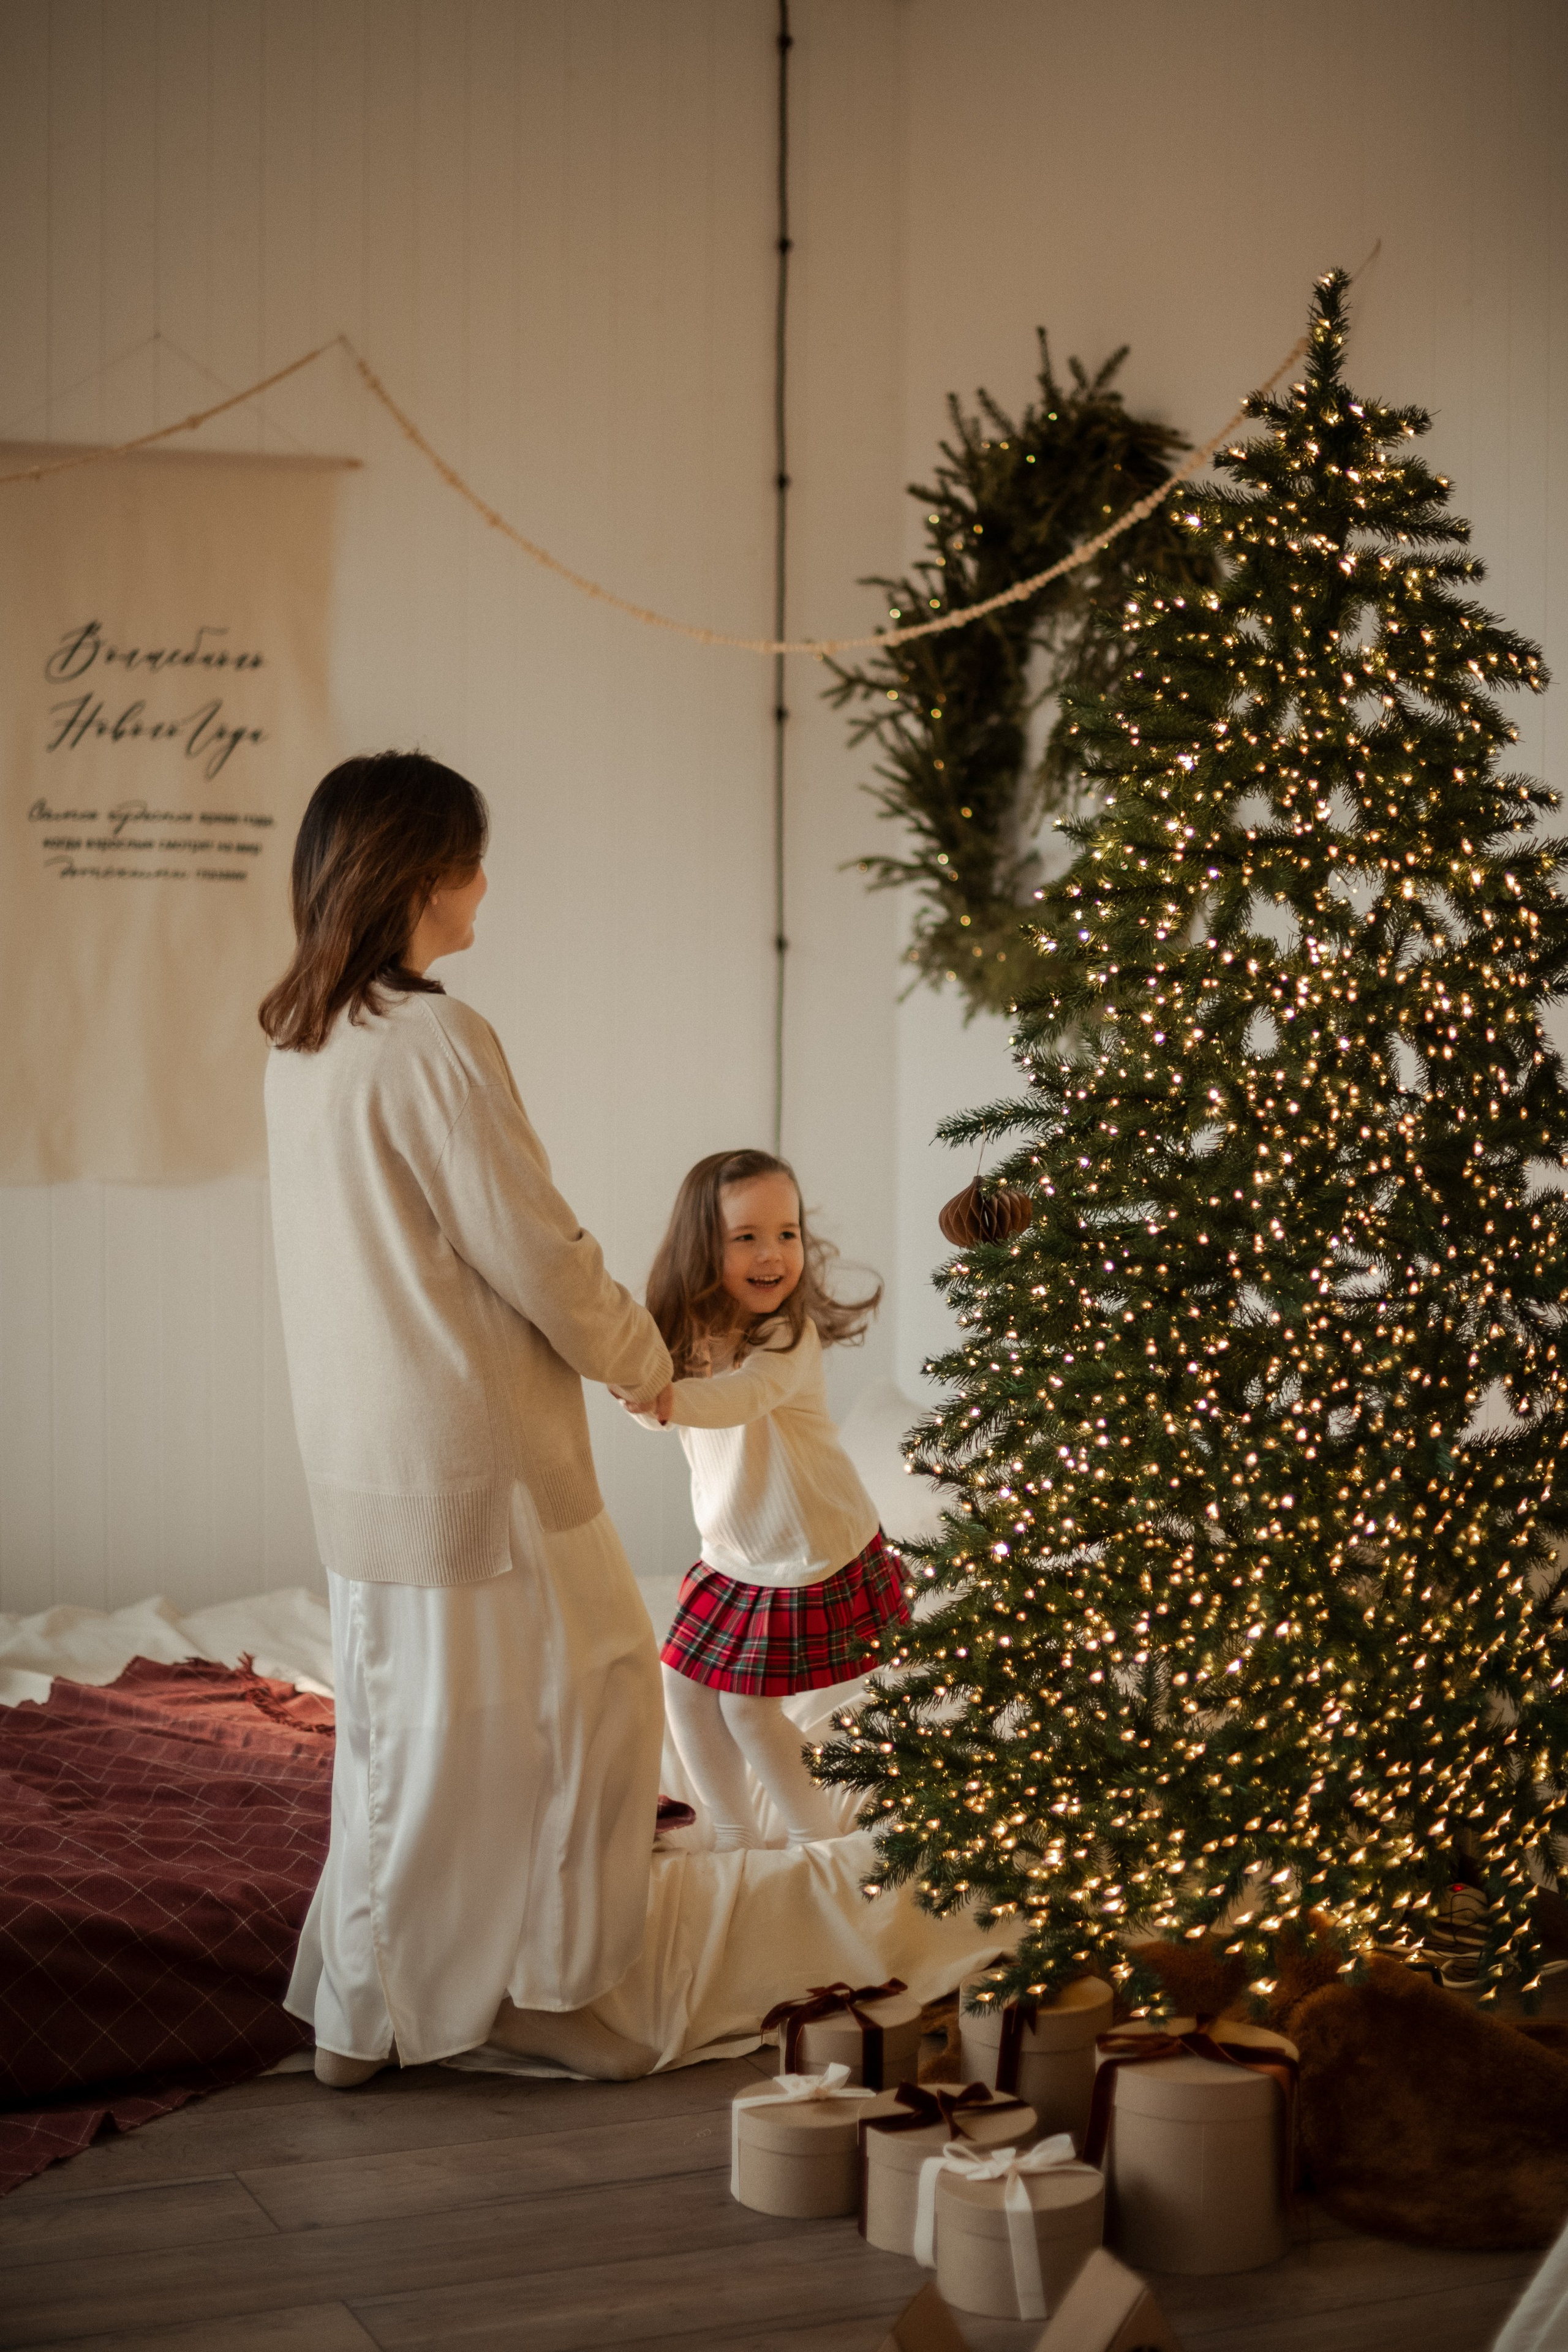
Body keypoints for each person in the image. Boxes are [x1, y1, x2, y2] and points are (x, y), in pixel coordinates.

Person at [261, 750, 673, 2085]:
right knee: (593, 1694)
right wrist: (636, 1352)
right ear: (424, 875)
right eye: (472, 859)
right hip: (479, 1459)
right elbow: (534, 1246)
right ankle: (536, 1989)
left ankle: (362, 2013)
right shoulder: (435, 1036)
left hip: (373, 1460)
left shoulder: (304, 1041)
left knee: (408, 1731)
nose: (485, 881)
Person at [619, 1150, 910, 1849]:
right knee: (683, 1689)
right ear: (701, 1246)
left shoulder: (788, 1336)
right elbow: (655, 1401)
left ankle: (815, 1843)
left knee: (747, 1709)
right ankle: (733, 1833)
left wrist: (665, 1399)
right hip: (735, 1549)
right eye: (745, 1236)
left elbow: (737, 1399)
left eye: (787, 1233)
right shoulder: (687, 1336)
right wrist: (644, 1397)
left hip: (809, 1544)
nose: (773, 1254)